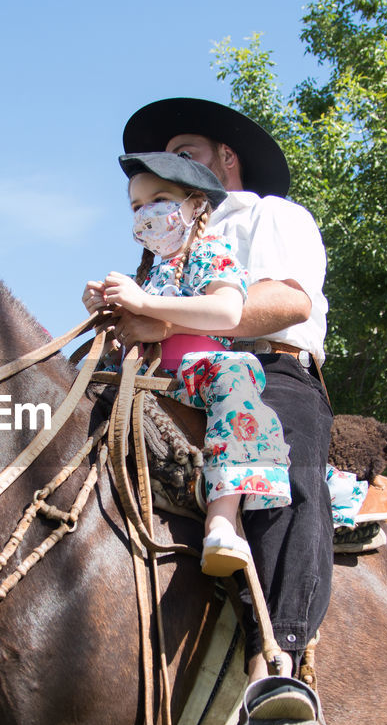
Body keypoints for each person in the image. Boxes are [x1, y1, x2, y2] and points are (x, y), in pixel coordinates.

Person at [120, 98, 335, 725]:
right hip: (175, 377)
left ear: (227, 160)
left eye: (185, 155)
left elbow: (288, 298)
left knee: (285, 465)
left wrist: (174, 314)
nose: (171, 173)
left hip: (270, 368)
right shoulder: (173, 248)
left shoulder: (271, 215)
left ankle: (276, 666)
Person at [83, 151, 292, 571]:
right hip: (143, 379)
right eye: (137, 206)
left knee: (237, 377)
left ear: (196, 206)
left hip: (200, 373)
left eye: (158, 198)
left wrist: (145, 304)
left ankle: (222, 520)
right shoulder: (150, 271)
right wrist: (107, 314)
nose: (146, 213)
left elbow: (229, 313)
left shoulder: (215, 250)